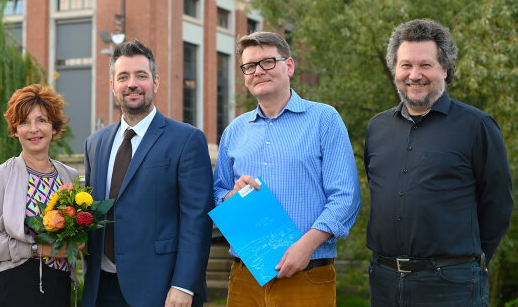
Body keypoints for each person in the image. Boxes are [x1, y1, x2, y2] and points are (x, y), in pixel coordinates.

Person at [364, 19, 514, 306]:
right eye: (405, 65)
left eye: (426, 65)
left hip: (451, 283)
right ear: (395, 69)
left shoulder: (477, 126)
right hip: (383, 280)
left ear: (445, 69)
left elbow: (498, 204)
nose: (414, 74)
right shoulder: (376, 128)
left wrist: (467, 261)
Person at [213, 31, 361, 306]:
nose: (258, 71)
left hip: (307, 273)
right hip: (246, 275)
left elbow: (345, 197)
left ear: (289, 65)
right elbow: (219, 191)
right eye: (249, 66)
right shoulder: (234, 131)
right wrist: (230, 197)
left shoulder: (324, 120)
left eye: (268, 62)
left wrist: (306, 246)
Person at [82, 39, 213, 307]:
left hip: (162, 290)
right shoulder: (95, 143)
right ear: (112, 86)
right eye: (123, 77)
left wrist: (184, 285)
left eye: (141, 76)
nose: (132, 84)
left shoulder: (186, 139)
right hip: (100, 289)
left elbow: (196, 220)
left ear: (155, 82)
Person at [0, 84, 82, 306]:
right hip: (11, 287)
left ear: (54, 127)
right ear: (15, 130)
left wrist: (80, 242)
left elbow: (78, 231)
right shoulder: (2, 174)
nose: (33, 129)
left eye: (42, 120)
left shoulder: (69, 176)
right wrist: (36, 249)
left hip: (58, 288)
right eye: (24, 122)